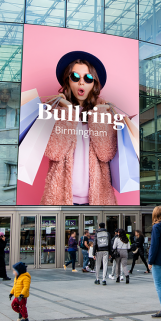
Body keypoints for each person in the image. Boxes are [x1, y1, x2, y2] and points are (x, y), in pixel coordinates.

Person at [41, 52, 118, 206]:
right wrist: (68, 110)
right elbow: (54, 151)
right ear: (68, 81)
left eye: (88, 78)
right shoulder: (54, 110)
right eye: (75, 77)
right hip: (61, 198)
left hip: (97, 200)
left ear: (94, 84)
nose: (81, 83)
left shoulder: (105, 112)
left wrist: (98, 115)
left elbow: (106, 153)